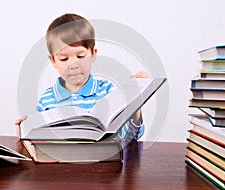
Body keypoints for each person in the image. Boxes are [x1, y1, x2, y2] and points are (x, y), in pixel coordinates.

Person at [15, 13, 147, 141]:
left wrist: (134, 109)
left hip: (103, 160)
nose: (73, 65)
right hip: (61, 161)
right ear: (53, 61)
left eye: (80, 56)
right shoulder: (46, 100)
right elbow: (39, 141)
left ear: (93, 54)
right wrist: (26, 130)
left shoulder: (109, 91)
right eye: (64, 58)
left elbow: (130, 139)